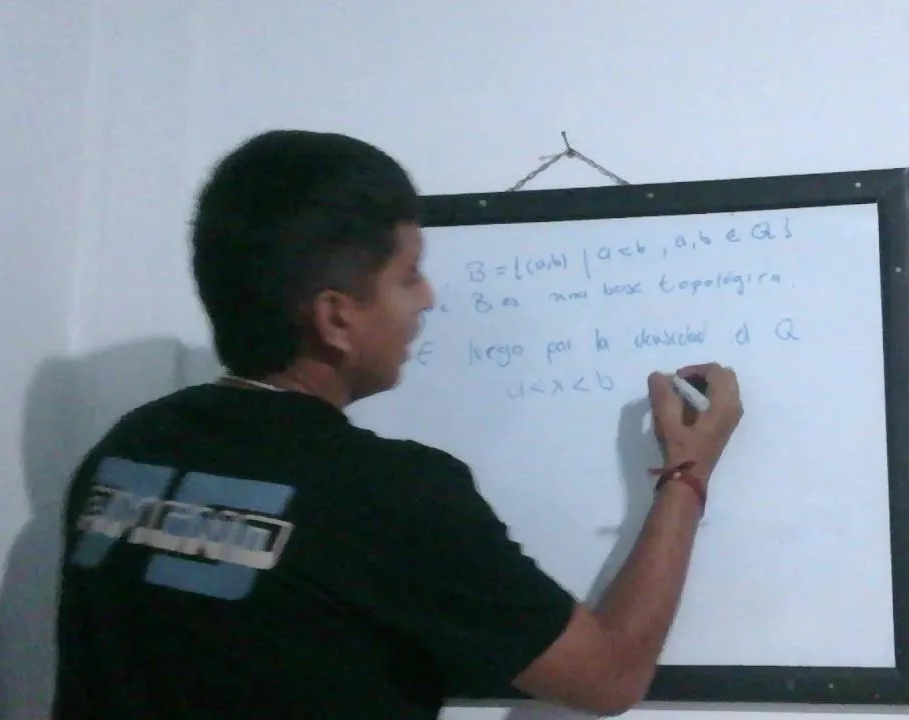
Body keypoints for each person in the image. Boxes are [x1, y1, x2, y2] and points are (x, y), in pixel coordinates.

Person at [51, 130, 744, 719]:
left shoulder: (125, 451)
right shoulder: (390, 496)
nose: (427, 298)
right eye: (409, 275)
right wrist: (688, 472)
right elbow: (609, 676)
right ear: (336, 316)